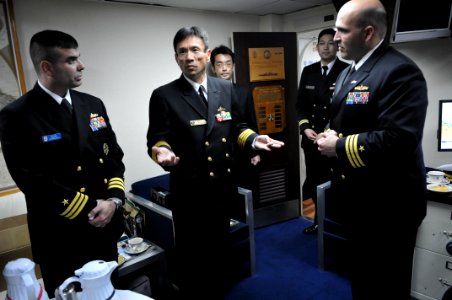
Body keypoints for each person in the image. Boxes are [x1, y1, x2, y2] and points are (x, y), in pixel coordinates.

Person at [146, 26, 284, 299]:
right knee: (193, 256)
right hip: (189, 192)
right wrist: (161, 152)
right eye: (182, 52)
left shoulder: (226, 89)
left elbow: (238, 128)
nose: (189, 57)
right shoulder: (164, 95)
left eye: (195, 50)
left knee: (221, 249)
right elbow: (157, 139)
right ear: (176, 58)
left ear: (207, 54)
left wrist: (255, 140)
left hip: (222, 187)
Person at [0, 30, 126, 297]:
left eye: (78, 58)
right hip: (61, 237)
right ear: (47, 67)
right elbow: (32, 181)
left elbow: (113, 156)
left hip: (104, 230)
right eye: (71, 60)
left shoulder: (92, 104)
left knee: (112, 294)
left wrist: (113, 200)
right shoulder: (17, 115)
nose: (81, 66)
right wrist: (93, 208)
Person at [316, 1, 428, 299]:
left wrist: (338, 146)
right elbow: (350, 119)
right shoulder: (348, 72)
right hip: (361, 201)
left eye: (342, 30)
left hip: (390, 208)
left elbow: (399, 139)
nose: (335, 37)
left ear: (367, 33)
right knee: (364, 279)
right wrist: (332, 132)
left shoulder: (400, 71)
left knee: (386, 285)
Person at [296, 28, 349, 234]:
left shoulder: (347, 70)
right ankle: (318, 221)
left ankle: (333, 224)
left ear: (337, 46)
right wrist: (305, 127)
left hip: (334, 141)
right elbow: (300, 105)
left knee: (332, 183)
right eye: (322, 43)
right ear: (316, 47)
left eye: (330, 43)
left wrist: (330, 132)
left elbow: (347, 109)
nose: (326, 47)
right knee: (315, 181)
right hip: (311, 140)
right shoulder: (308, 72)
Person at [210, 44, 261, 190]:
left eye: (228, 64)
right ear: (213, 68)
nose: (224, 68)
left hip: (241, 152)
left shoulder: (243, 92)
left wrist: (254, 152)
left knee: (245, 192)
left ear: (233, 66)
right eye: (219, 64)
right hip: (218, 155)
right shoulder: (207, 94)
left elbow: (252, 122)